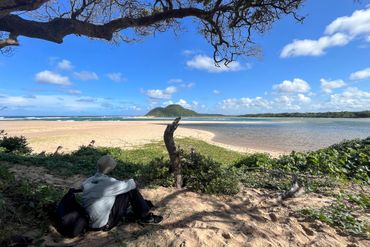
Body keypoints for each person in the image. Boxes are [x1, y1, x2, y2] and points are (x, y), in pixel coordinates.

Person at [81, 155, 163, 230]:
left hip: (90, 222)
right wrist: (129, 181)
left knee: (121, 192)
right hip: (104, 224)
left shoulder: (88, 181)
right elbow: (131, 185)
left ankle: (139, 210)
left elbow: (86, 188)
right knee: (130, 190)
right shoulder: (109, 183)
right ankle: (146, 217)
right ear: (110, 169)